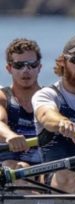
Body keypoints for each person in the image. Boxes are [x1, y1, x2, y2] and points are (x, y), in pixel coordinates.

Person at [32, 35, 75, 193]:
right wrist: (62, 122)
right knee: (74, 182)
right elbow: (46, 115)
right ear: (63, 62)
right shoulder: (47, 95)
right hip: (55, 174)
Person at [0, 38, 42, 175]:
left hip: (46, 167)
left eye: (32, 64)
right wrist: (10, 135)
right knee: (20, 168)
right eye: (19, 65)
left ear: (39, 67)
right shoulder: (3, 97)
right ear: (9, 68)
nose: (26, 70)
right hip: (12, 167)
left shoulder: (51, 98)